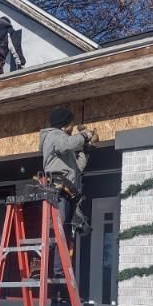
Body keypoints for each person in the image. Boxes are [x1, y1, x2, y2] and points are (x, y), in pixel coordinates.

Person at [38, 105, 97, 278]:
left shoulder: (64, 145)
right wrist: (85, 135)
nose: (73, 126)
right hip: (56, 191)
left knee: (64, 233)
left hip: (67, 193)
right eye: (71, 123)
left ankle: (58, 271)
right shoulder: (54, 136)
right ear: (65, 124)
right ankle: (39, 266)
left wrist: (86, 151)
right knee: (56, 231)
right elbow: (67, 144)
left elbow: (77, 168)